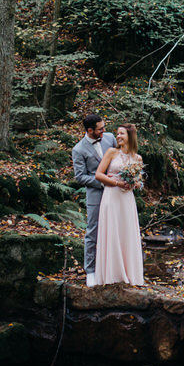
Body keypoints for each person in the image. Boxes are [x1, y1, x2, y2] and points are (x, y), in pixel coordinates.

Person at [94, 123, 144, 286]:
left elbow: (139, 182)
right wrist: (116, 183)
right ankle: (111, 275)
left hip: (127, 199)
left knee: (126, 233)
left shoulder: (137, 158)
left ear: (130, 136)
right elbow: (98, 175)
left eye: (122, 133)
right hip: (112, 196)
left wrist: (133, 183)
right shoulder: (111, 152)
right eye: (118, 134)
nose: (118, 136)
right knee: (112, 231)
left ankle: (129, 274)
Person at [72, 114, 117, 287]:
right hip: (97, 194)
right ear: (90, 130)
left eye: (104, 127)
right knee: (93, 232)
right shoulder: (78, 149)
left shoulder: (110, 138)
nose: (104, 131)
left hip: (116, 193)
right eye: (100, 129)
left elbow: (119, 160)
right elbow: (80, 177)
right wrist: (104, 182)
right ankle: (90, 271)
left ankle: (112, 268)